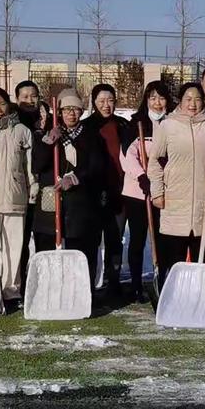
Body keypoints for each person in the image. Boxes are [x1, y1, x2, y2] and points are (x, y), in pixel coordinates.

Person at [148, 82, 205, 280]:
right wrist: (157, 192)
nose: (192, 104)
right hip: (174, 199)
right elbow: (155, 161)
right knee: (174, 257)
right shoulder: (167, 125)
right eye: (188, 99)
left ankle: (196, 295)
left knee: (199, 257)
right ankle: (173, 293)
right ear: (180, 100)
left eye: (197, 99)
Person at [31, 89, 105, 291]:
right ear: (60, 112)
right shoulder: (47, 134)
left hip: (80, 205)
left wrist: (75, 177)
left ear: (81, 112)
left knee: (81, 251)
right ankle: (48, 290)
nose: (71, 114)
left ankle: (82, 291)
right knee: (47, 249)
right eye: (66, 110)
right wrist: (48, 143)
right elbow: (36, 166)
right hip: (51, 203)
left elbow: (97, 166)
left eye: (75, 110)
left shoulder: (91, 137)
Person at [120, 81, 173, 300]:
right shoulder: (135, 124)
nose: (157, 103)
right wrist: (142, 176)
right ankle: (135, 283)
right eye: (152, 98)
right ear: (146, 100)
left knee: (163, 238)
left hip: (165, 191)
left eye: (161, 98)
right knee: (138, 237)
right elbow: (126, 155)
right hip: (137, 191)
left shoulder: (173, 124)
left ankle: (162, 280)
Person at [0, 85, 36, 310]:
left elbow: (30, 167)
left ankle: (10, 291)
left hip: (15, 196)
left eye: (1, 103)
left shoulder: (22, 131)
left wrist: (33, 189)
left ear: (9, 104)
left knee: (14, 246)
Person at [84, 84, 128, 297]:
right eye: (101, 101)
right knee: (92, 239)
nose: (106, 105)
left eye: (110, 100)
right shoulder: (86, 127)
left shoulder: (122, 125)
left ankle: (113, 280)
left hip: (119, 190)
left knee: (115, 237)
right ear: (94, 102)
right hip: (93, 193)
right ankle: (89, 281)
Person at [14, 80, 51, 297]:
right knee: (20, 238)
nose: (29, 100)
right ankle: (19, 282)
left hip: (44, 189)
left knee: (43, 237)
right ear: (17, 98)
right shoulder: (13, 122)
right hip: (19, 188)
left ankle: (42, 282)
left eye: (33, 95)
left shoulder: (46, 120)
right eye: (25, 96)